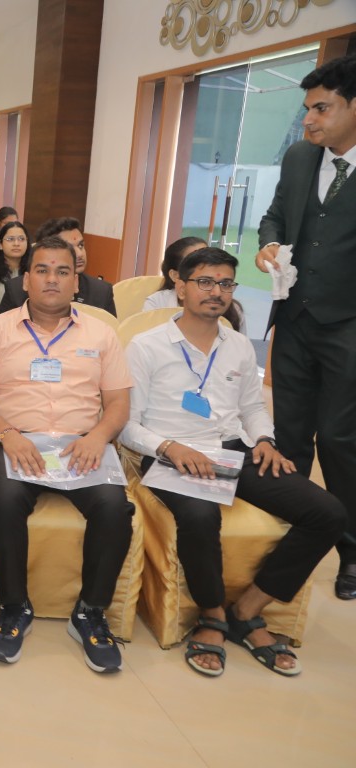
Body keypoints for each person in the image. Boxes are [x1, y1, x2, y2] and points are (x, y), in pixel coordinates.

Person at [122, 246, 344, 675]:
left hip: (232, 450)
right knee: (201, 516)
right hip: (170, 454)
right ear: (181, 288)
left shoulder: (239, 345)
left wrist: (264, 439)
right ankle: (212, 615)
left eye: (226, 283)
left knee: (328, 513)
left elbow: (253, 408)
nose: (216, 292)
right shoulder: (146, 346)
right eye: (205, 282)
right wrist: (170, 448)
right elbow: (127, 425)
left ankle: (246, 610)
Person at [0, 236, 134, 673]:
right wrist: (8, 434)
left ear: (76, 281)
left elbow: (118, 402)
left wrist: (99, 437)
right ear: (26, 279)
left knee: (115, 508)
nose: (52, 280)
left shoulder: (101, 334)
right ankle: (14, 607)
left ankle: (90, 612)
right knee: (3, 503)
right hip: (16, 441)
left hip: (82, 445)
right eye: (42, 270)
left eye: (63, 271)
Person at [255, 53, 356, 600]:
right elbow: (275, 214)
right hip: (293, 318)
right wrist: (269, 243)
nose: (309, 120)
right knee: (289, 434)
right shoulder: (298, 157)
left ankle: (351, 549)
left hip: (349, 325)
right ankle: (293, 531)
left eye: (322, 109)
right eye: (307, 109)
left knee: (340, 438)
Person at [0, 217, 116, 316]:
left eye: (80, 245)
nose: (79, 254)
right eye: (70, 247)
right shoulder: (17, 290)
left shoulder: (101, 292)